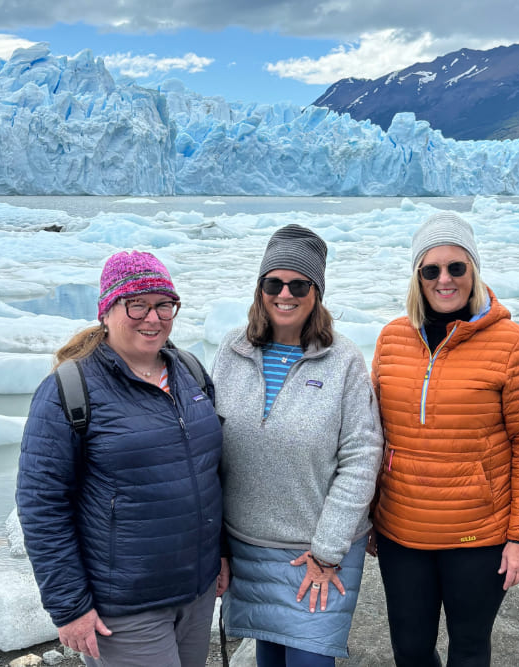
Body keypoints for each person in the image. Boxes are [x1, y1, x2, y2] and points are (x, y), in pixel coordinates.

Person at [17, 250, 227, 667]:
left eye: (164, 304)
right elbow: (42, 505)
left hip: (196, 591)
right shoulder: (70, 389)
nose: (154, 318)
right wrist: (70, 607)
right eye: (138, 305)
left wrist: (220, 552)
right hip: (126, 605)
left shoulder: (190, 371)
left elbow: (209, 474)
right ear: (108, 310)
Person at [369, 211, 519, 667]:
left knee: (469, 650)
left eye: (457, 267)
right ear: (417, 277)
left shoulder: (513, 344)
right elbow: (371, 435)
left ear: (474, 271)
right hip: (402, 531)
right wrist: (367, 515)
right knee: (410, 651)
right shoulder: (392, 338)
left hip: (479, 536)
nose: (444, 279)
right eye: (431, 270)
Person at [212, 224, 382, 667]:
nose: (284, 293)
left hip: (316, 554)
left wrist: (327, 551)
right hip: (247, 547)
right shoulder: (232, 351)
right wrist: (217, 546)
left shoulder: (342, 360)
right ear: (260, 288)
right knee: (268, 658)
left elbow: (362, 457)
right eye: (274, 282)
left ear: (316, 292)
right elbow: (209, 450)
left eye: (299, 284)